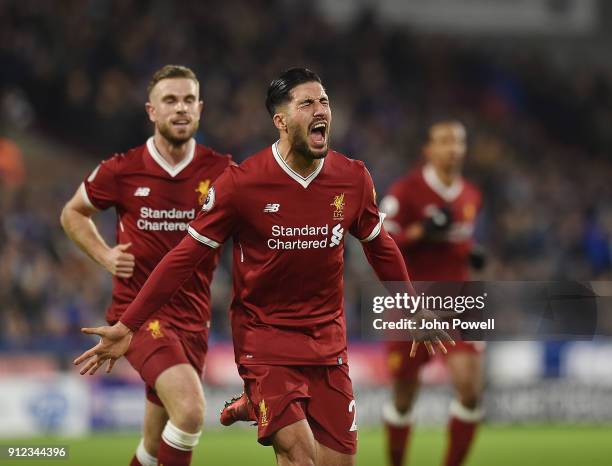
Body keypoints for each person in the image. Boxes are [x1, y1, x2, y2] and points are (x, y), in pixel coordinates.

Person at [73, 67, 452, 466]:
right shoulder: (241, 184)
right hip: (264, 341)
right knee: (299, 454)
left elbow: (381, 246)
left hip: (328, 344)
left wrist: (411, 306)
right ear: (281, 120)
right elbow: (184, 257)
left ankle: (255, 406)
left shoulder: (353, 178)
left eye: (324, 101)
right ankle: (262, 397)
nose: (320, 109)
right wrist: (128, 325)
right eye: (307, 103)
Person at [61, 65, 232, 466]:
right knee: (190, 411)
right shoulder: (122, 168)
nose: (180, 108)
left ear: (201, 108)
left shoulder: (222, 170)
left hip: (195, 320)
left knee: (155, 446)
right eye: (170, 100)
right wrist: (104, 255)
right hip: (139, 318)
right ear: (151, 111)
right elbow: (73, 213)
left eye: (189, 100)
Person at [379, 119, 485, 466]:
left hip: (458, 302)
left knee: (470, 391)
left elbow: (460, 241)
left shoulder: (471, 194)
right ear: (428, 149)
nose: (453, 149)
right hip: (413, 304)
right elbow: (382, 243)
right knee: (404, 398)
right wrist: (419, 232)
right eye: (444, 141)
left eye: (459, 142)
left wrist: (470, 252)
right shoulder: (405, 191)